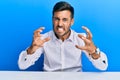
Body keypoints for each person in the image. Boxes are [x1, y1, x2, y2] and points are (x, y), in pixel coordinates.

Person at [18, 1, 108, 72]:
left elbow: (103, 67)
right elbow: (22, 66)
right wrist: (32, 49)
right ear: (52, 19)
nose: (60, 24)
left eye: (64, 20)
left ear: (71, 21)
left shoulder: (81, 39)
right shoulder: (43, 39)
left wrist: (94, 51)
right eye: (57, 19)